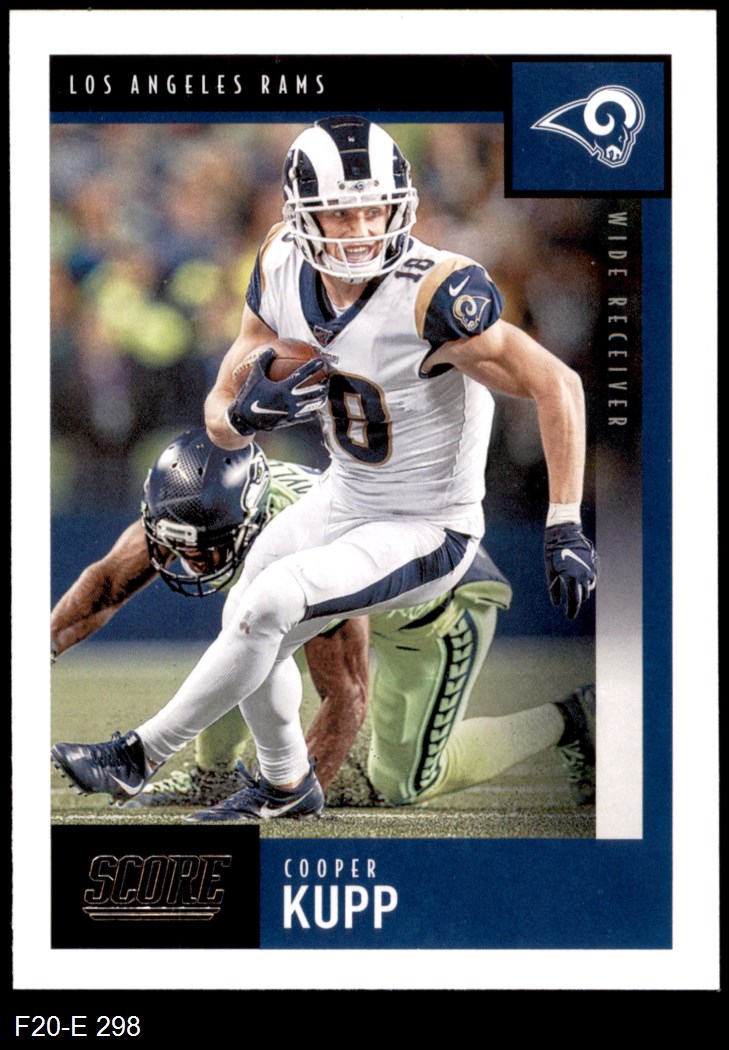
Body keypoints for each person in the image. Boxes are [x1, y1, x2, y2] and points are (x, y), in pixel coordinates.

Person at [51, 116, 597, 822]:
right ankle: (285, 783)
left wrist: (564, 521)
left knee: (279, 606)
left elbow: (558, 383)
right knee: (247, 610)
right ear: (302, 215)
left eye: (376, 208)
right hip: (346, 494)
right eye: (341, 212)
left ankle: (141, 752)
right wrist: (240, 414)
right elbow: (226, 395)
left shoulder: (433, 293)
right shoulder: (281, 258)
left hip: (428, 524)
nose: (362, 228)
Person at [52, 428, 596, 809]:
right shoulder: (202, 504)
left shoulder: (302, 539)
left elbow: (347, 693)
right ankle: (210, 775)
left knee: (402, 782)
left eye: (207, 548)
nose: (192, 561)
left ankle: (569, 720)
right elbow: (106, 586)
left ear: (248, 521)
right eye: (178, 545)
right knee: (245, 637)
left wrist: (291, 792)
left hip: (438, 610)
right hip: (360, 572)